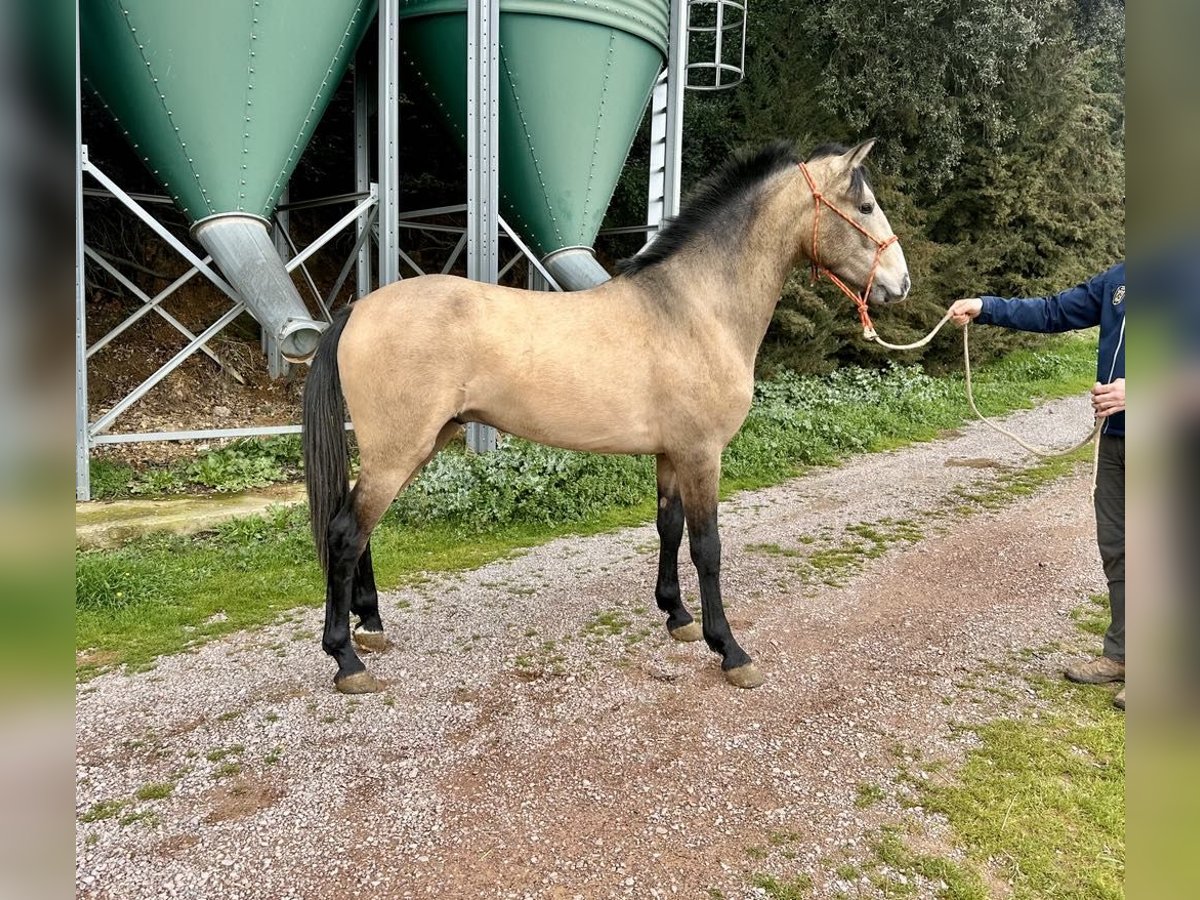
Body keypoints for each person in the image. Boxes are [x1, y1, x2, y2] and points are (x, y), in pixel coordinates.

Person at [948, 262, 1125, 710]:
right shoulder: (1121, 278)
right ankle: (1123, 656)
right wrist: (985, 307)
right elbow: (1053, 312)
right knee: (1120, 549)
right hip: (1117, 440)